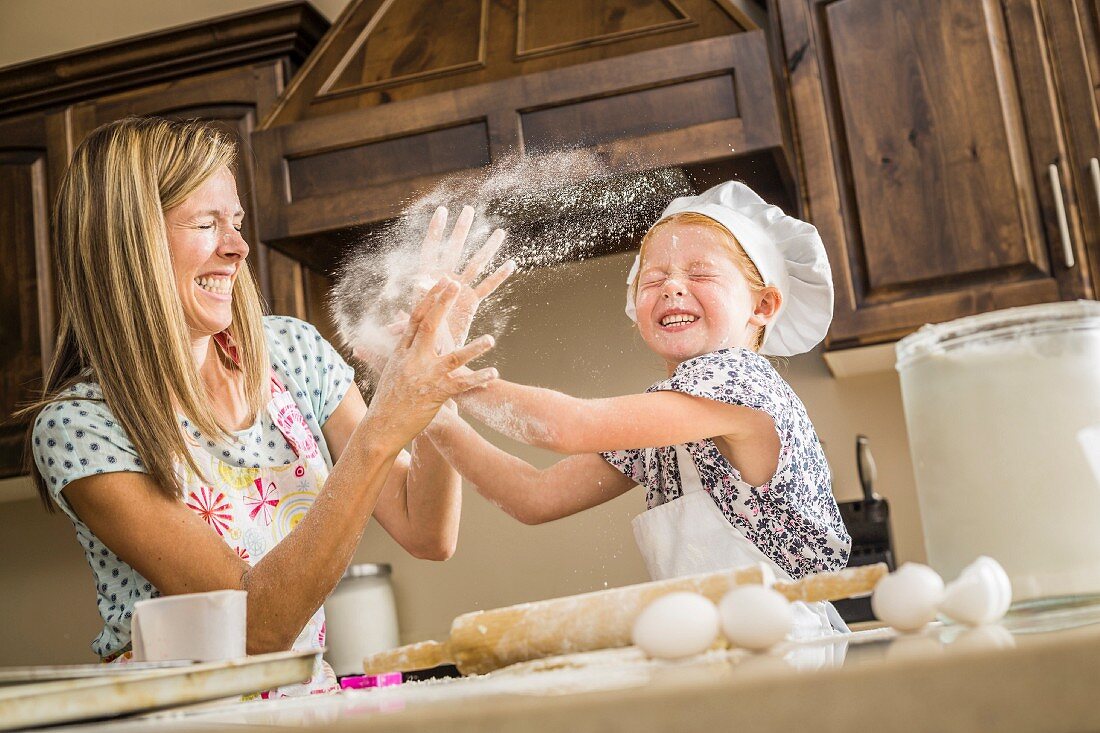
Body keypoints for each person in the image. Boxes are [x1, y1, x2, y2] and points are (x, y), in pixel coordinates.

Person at [25, 117, 504, 695]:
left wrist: (435, 382)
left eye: (237, 222)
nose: (237, 247)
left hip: (303, 706)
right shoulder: (81, 426)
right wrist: (384, 426)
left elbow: (426, 529)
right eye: (206, 223)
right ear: (129, 245)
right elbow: (255, 629)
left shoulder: (293, 353)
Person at [408, 181, 852, 638]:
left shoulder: (743, 383)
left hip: (786, 653)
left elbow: (566, 426)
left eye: (700, 274)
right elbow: (533, 496)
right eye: (653, 279)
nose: (673, 287)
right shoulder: (668, 418)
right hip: (715, 658)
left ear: (763, 305)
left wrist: (446, 373)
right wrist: (430, 407)